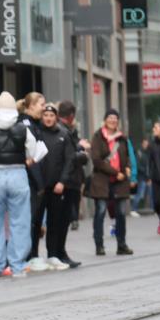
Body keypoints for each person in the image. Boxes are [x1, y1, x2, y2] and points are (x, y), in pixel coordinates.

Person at [0, 91, 37, 277]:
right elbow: (33, 151)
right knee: (20, 221)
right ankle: (18, 265)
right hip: (18, 173)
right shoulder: (23, 128)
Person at [88, 109, 134, 256]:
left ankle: (122, 244)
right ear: (105, 120)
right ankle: (99, 245)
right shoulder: (97, 137)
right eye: (110, 117)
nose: (113, 120)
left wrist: (127, 168)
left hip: (120, 182)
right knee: (100, 212)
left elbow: (127, 157)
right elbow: (96, 160)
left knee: (120, 213)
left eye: (115, 118)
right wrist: (116, 173)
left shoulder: (122, 139)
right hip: (102, 181)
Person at [37, 104, 75, 270]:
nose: (48, 118)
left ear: (56, 117)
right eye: (45, 115)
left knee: (55, 221)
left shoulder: (63, 134)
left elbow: (69, 160)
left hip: (57, 186)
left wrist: (62, 181)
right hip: (40, 186)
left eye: (51, 116)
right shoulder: (36, 133)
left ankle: (53, 254)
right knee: (36, 222)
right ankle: (33, 255)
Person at [17, 92, 48, 270]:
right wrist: (39, 183)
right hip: (30, 180)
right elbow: (31, 157)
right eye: (41, 104)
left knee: (35, 220)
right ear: (31, 105)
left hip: (36, 180)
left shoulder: (35, 124)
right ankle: (27, 256)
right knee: (28, 219)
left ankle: (33, 254)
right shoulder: (25, 124)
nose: (43, 108)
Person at [56, 101, 89, 258]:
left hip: (69, 180)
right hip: (67, 180)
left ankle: (60, 252)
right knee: (62, 219)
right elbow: (68, 156)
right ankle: (59, 252)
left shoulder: (67, 130)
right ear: (71, 116)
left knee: (64, 218)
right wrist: (81, 152)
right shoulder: (63, 131)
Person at [131, 138, 151, 217]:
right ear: (142, 144)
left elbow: (148, 166)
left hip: (146, 177)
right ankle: (133, 209)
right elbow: (139, 166)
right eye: (145, 143)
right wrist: (146, 175)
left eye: (147, 144)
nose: (146, 145)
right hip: (141, 177)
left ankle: (153, 208)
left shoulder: (147, 153)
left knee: (150, 193)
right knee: (139, 194)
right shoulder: (139, 153)